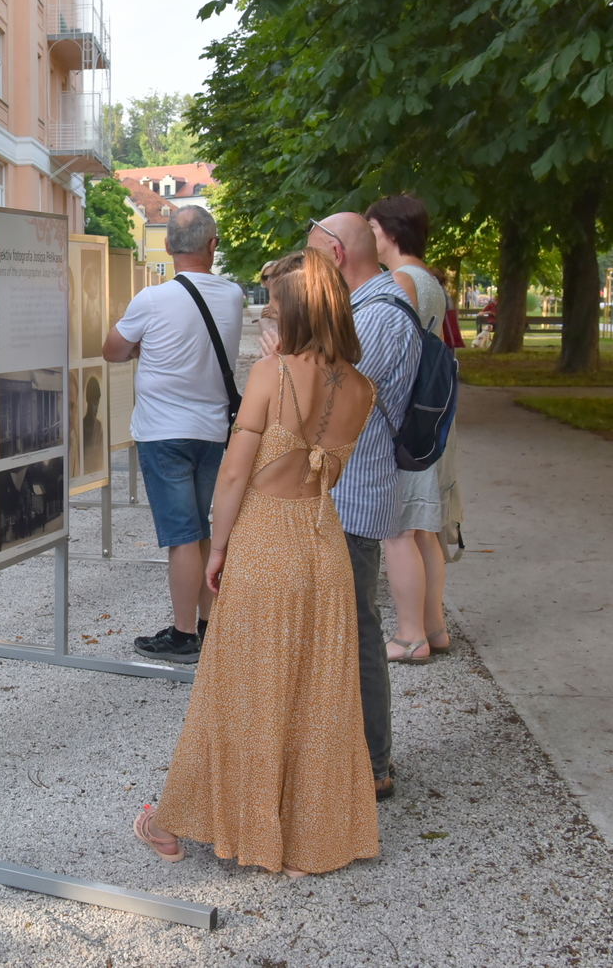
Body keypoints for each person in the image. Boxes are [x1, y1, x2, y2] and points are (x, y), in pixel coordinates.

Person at [134, 249, 380, 875]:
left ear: (294, 311)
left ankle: (173, 824)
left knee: (237, 690)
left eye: (273, 305)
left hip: (267, 540)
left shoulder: (273, 374)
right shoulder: (361, 386)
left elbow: (236, 473)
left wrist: (217, 547)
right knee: (316, 695)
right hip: (323, 541)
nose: (266, 313)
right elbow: (330, 468)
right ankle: (306, 842)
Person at [307, 211, 420, 800]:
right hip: (352, 487)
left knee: (355, 626)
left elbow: (330, 397)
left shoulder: (374, 315)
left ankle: (373, 762)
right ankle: (358, 753)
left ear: (335, 253)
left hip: (354, 492)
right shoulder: (370, 309)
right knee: (349, 623)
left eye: (311, 257)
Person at [103, 206, 245, 664]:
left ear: (167, 247)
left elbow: (113, 350)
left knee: (182, 535)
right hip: (214, 431)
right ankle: (209, 627)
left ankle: (184, 636)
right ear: (213, 245)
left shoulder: (152, 299)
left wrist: (146, 345)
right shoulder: (233, 296)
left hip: (164, 433)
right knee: (203, 530)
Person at [367, 194, 452, 663]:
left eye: (372, 227)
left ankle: (409, 635)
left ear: (391, 231)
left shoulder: (400, 280)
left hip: (404, 417)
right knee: (423, 530)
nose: (368, 236)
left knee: (398, 529)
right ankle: (433, 627)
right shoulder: (429, 278)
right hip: (427, 415)